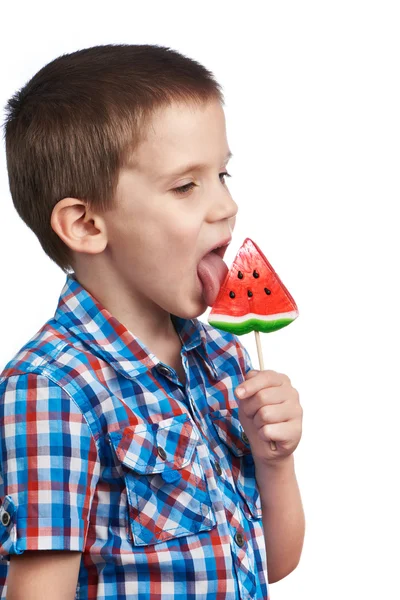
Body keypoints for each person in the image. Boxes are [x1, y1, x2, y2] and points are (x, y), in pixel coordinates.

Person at [0, 44, 305, 600]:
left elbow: (276, 563)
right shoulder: (52, 391)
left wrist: (274, 462)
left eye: (222, 173)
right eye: (186, 185)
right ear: (87, 224)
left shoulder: (222, 359)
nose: (225, 206)